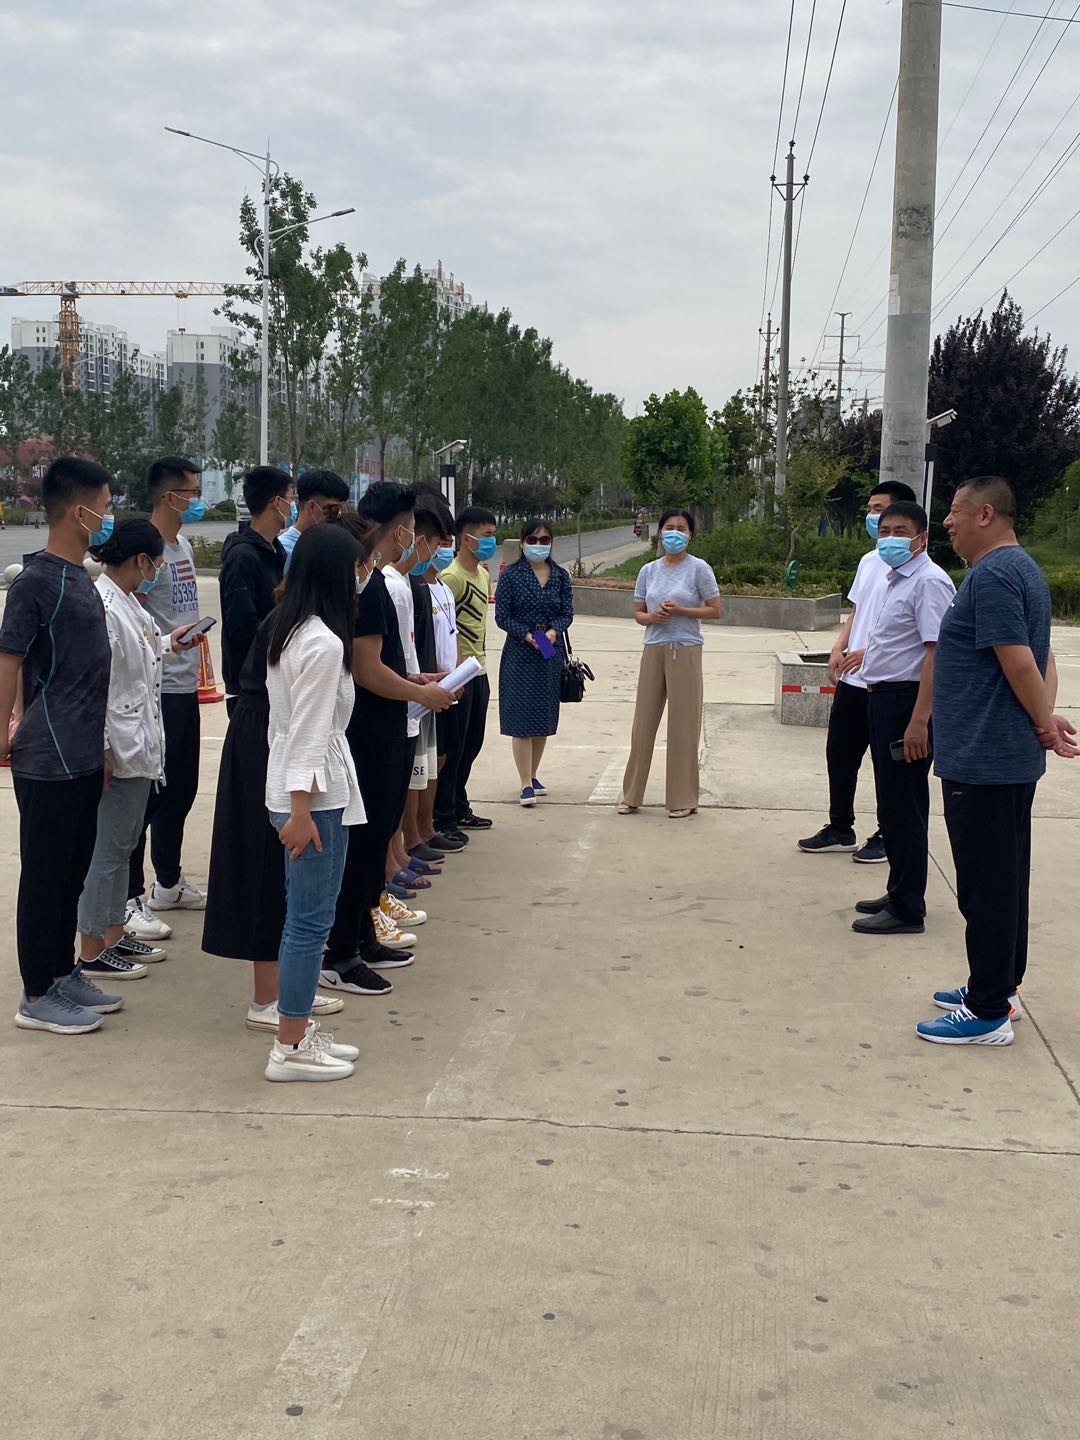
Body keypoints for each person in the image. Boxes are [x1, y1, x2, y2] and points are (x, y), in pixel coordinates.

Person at [917, 476, 1078, 1045]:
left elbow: (1019, 662)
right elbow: (1042, 657)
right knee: (1005, 879)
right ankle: (999, 985)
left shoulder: (992, 575)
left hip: (985, 758)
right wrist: (1044, 716)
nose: (947, 522)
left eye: (956, 511)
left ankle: (987, 1011)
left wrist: (1044, 723)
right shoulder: (1023, 570)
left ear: (986, 514)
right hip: (1002, 755)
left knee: (986, 885)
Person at [0, 457, 121, 1034]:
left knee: (72, 872)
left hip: (83, 755)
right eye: (105, 506)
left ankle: (61, 972)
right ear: (79, 512)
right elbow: (9, 661)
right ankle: (36, 994)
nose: (109, 515)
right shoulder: (36, 582)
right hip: (47, 758)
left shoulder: (81, 579)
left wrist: (102, 751)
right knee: (45, 878)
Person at [320, 488, 451, 997]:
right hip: (369, 734)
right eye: (412, 530)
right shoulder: (370, 585)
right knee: (363, 845)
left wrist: (416, 682)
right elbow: (367, 669)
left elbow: (387, 663)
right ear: (398, 530)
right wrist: (420, 692)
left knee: (375, 844)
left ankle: (363, 936)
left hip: (390, 726)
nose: (413, 540)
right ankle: (342, 953)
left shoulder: (376, 581)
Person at [201, 607, 350, 1033]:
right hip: (266, 743)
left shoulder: (299, 622)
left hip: (274, 740)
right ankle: (268, 998)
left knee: (292, 886)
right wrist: (299, 803)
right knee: (268, 869)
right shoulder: (304, 630)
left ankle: (290, 988)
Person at [263, 523, 367, 1082]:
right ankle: (289, 1046)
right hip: (313, 794)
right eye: (356, 568)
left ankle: (296, 1032)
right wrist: (302, 810)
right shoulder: (323, 643)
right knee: (309, 924)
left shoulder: (290, 628)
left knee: (302, 919)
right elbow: (307, 731)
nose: (361, 577)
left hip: (296, 785)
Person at [77, 521, 200, 983]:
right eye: (158, 562)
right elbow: (97, 686)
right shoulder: (106, 608)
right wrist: (104, 751)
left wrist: (172, 643)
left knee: (124, 846)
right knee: (108, 852)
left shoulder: (130, 604)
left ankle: (113, 931)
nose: (159, 570)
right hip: (120, 747)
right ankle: (92, 947)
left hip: (140, 743)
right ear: (142, 561)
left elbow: (144, 650)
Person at [849, 501, 955, 936]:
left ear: (921, 538)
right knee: (891, 805)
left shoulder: (929, 582)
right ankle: (899, 890)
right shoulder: (897, 579)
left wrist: (919, 721)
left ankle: (908, 907)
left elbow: (936, 654)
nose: (889, 538)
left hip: (906, 703)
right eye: (884, 530)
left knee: (905, 806)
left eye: (900, 531)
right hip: (883, 699)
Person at [798, 480, 917, 863]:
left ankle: (887, 833)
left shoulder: (918, 572)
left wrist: (873, 652)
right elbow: (857, 611)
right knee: (840, 753)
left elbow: (919, 636)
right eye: (871, 511)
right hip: (852, 678)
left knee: (887, 764)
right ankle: (840, 827)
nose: (873, 518)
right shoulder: (869, 561)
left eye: (880, 510)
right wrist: (838, 646)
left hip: (887, 682)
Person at [125, 456, 207, 935]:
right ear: (168, 496)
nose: (198, 500)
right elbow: (134, 620)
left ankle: (169, 882)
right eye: (191, 492)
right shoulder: (147, 551)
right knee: (149, 796)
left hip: (185, 683)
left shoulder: (182, 546)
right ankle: (130, 895)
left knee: (182, 788)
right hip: (157, 688)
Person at [618, 508, 721, 819]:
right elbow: (638, 613)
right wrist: (652, 617)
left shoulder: (699, 568)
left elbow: (715, 609)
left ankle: (682, 797)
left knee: (683, 726)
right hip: (654, 647)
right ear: (660, 532)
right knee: (643, 723)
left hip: (685, 648)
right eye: (669, 527)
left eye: (681, 528)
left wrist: (682, 611)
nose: (674, 533)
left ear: (690, 534)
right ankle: (631, 795)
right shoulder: (648, 571)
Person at [495, 517, 574, 806]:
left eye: (544, 540)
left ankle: (533, 774)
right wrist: (527, 635)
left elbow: (567, 612)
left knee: (543, 714)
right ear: (522, 542)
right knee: (520, 716)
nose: (538, 545)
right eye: (532, 540)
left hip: (549, 647)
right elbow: (502, 616)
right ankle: (524, 783)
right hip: (520, 648)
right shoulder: (511, 576)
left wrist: (553, 631)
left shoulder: (560, 576)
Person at [434, 504, 498, 837]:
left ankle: (460, 806)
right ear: (466, 537)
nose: (491, 541)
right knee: (454, 748)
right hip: (459, 673)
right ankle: (444, 816)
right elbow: (447, 629)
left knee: (472, 745)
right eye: (486, 535)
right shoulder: (451, 577)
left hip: (480, 669)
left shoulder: (483, 575)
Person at [219, 465, 294, 709]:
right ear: (277, 502)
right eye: (291, 499)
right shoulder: (242, 556)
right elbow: (242, 627)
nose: (292, 507)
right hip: (250, 686)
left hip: (273, 678)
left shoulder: (276, 551)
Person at [416, 496, 466, 853]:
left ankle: (439, 819)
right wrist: (536, 638)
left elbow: (455, 633)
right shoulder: (448, 579)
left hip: (458, 681)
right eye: (441, 543)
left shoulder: (447, 587)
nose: (444, 550)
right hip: (430, 686)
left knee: (451, 753)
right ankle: (435, 821)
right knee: (428, 761)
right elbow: (510, 619)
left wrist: (460, 674)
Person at [278, 468, 349, 568]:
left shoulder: (335, 546)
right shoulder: (283, 550)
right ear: (312, 506)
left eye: (342, 509)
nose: (338, 515)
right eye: (334, 509)